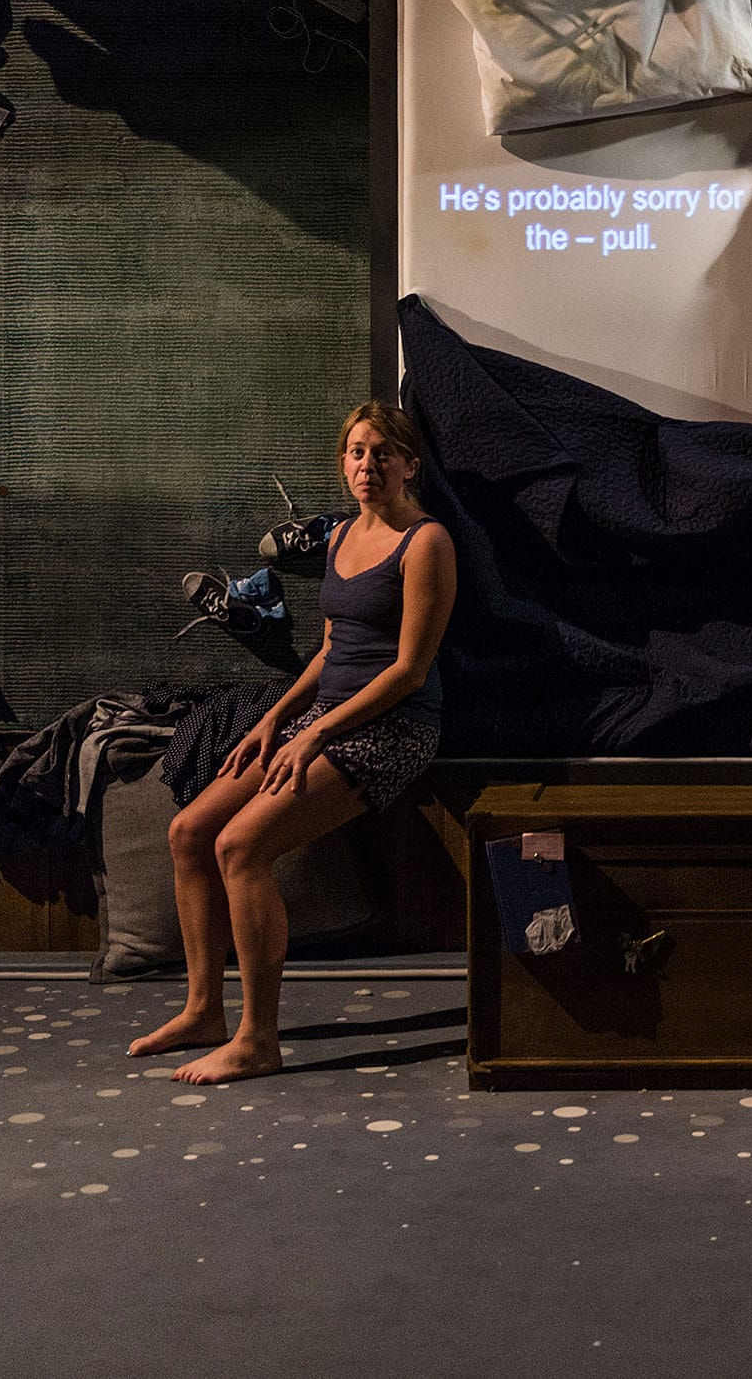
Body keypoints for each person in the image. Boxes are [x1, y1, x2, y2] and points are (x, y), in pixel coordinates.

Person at [128, 402, 455, 1083]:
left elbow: (409, 670)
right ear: (344, 463)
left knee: (239, 847)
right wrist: (275, 719)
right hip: (328, 715)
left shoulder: (426, 542)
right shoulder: (339, 538)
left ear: (410, 465)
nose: (368, 465)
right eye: (357, 452)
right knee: (189, 832)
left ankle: (257, 1039)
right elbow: (332, 649)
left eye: (383, 453)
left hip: (394, 727)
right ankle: (202, 1012)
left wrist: (317, 735)